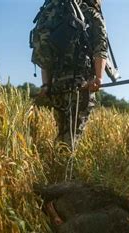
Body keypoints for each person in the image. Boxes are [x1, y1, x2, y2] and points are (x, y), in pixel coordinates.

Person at [32, 0, 108, 149]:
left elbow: (45, 55)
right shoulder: (89, 13)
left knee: (62, 135)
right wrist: (98, 78)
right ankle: (67, 170)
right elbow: (100, 47)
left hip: (56, 86)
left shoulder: (49, 13)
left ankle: (57, 169)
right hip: (81, 85)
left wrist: (46, 84)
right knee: (72, 138)